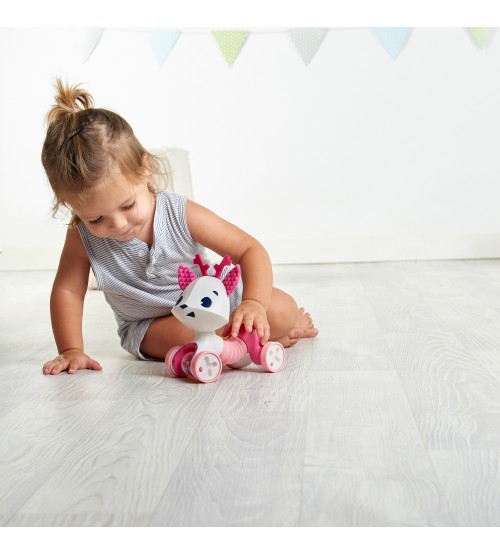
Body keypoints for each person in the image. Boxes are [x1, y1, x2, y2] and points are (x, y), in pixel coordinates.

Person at [41, 80, 318, 375]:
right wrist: (71, 349)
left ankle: (255, 338)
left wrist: (252, 303)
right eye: (96, 219)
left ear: (144, 169)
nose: (118, 225)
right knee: (191, 335)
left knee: (282, 310)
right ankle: (252, 343)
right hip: (152, 326)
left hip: (212, 301)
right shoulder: (81, 236)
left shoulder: (177, 212)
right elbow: (68, 290)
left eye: (128, 205)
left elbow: (250, 249)